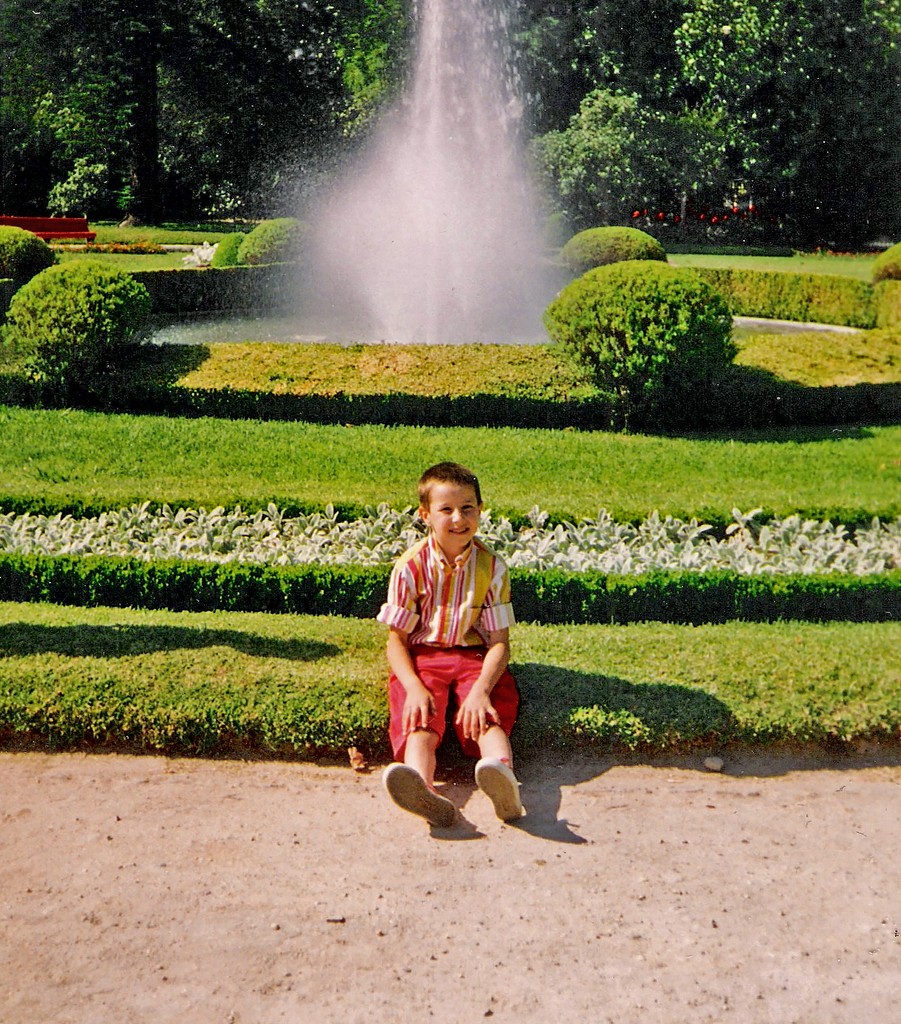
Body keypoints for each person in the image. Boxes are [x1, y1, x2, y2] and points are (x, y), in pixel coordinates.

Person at [377, 462, 523, 828]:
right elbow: (396, 640)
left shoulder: (492, 567)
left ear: (480, 509)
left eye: (468, 507)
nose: (459, 518)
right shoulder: (410, 567)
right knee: (420, 718)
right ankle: (419, 786)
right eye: (446, 509)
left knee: (486, 715)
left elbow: (500, 643)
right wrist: (412, 686)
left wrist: (481, 691)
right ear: (425, 515)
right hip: (424, 657)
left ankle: (501, 777)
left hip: (475, 655)